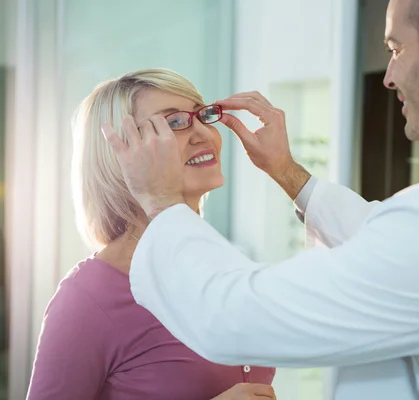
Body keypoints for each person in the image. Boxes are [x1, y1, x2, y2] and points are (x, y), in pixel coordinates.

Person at [104, 0, 419, 399]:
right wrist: (289, 175)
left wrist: (161, 199)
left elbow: (229, 315)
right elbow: (390, 240)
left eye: (396, 48)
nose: (388, 76)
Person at [27, 69, 277, 400]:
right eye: (173, 123)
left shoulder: (226, 267)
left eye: (203, 116)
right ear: (120, 156)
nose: (204, 134)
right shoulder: (87, 299)